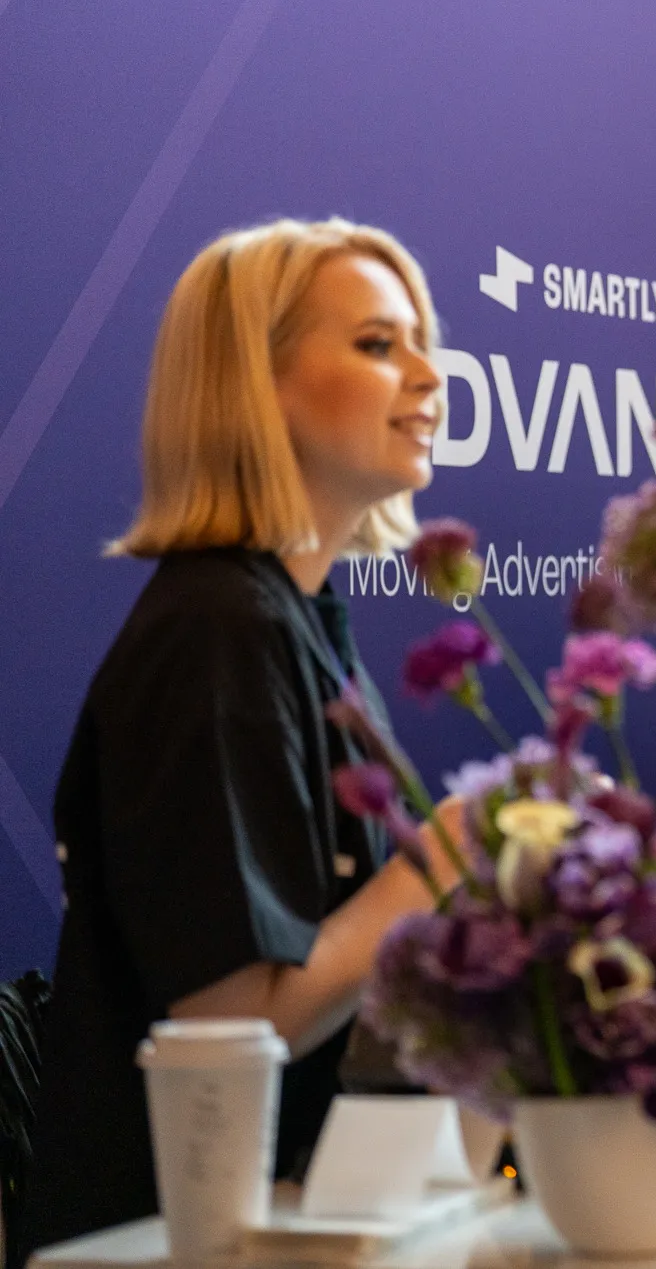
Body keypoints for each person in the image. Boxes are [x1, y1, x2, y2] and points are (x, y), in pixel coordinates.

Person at [20, 219, 460, 1252]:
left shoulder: (295, 619)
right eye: (375, 344)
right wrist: (434, 871)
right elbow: (232, 1033)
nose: (431, 377)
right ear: (253, 387)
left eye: (418, 341)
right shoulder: (219, 633)